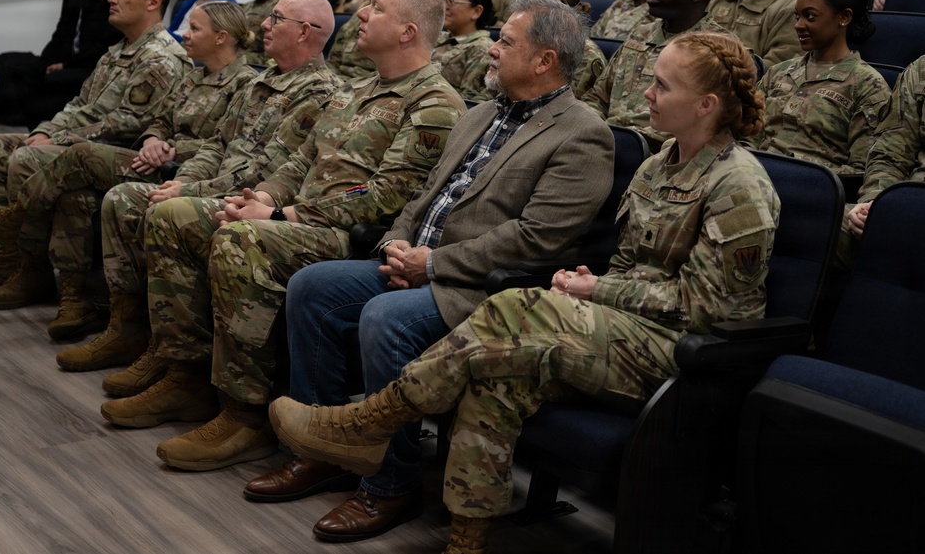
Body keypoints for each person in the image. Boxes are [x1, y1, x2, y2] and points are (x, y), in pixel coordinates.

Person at [269, 30, 780, 554]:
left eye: (661, 85)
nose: (646, 93)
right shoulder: (657, 165)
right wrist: (591, 286)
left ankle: (367, 421)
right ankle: (467, 542)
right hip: (623, 333)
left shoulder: (739, 185)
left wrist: (597, 289)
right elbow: (631, 266)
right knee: (497, 375)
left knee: (513, 307)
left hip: (684, 353)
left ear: (706, 105)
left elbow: (707, 309)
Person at [248, 0, 615, 544]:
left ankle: (390, 484)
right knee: (311, 287)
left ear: (545, 61)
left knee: (385, 319)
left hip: (485, 291)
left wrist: (434, 263)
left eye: (506, 42)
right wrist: (397, 245)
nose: (492, 49)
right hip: (416, 262)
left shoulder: (583, 134)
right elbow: (424, 194)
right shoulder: (480, 113)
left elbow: (538, 240)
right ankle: (323, 452)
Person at [98, 0, 466, 477]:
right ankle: (184, 371)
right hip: (300, 217)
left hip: (354, 237)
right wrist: (264, 196)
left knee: (240, 238)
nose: (357, 14)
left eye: (373, 8)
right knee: (177, 216)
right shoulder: (359, 90)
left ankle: (244, 414)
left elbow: (385, 196)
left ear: (406, 31)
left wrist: (279, 216)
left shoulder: (434, 104)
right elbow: (299, 161)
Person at [56, 0, 341, 390]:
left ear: (304, 33)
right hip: (211, 184)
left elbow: (268, 169)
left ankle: (181, 365)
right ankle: (132, 330)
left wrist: (192, 191)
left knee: (168, 212)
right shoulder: (262, 80)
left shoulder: (320, 92)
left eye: (276, 19)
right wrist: (184, 180)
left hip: (250, 199)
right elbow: (218, 144)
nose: (263, 25)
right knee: (122, 200)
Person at [0, 1, 259, 339]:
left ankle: (15, 218)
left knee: (82, 155)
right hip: (151, 159)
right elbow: (160, 120)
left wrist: (170, 149)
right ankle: (74, 297)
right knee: (75, 195)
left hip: (181, 173)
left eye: (195, 28)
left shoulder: (245, 85)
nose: (185, 33)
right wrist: (155, 138)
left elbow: (231, 145)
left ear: (221, 38)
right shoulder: (196, 77)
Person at [0, 0, 192, 306]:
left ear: (153, 2)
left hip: (114, 151)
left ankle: (33, 272)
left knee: (25, 157)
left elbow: (128, 123)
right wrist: (48, 129)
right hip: (80, 139)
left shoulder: (162, 57)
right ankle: (10, 256)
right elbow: (80, 102)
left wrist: (60, 139)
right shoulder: (117, 50)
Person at [583, 0, 734, 151]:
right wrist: (594, 132)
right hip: (605, 143)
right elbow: (597, 97)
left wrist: (628, 143)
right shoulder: (640, 33)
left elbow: (705, 125)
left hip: (660, 155)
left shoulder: (716, 50)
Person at [752, 0, 889, 175]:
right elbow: (746, 132)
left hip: (813, 192)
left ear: (844, 17)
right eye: (797, 16)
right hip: (756, 178)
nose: (798, 25)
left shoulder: (867, 85)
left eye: (810, 16)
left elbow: (862, 170)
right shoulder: (778, 72)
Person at [24, 0, 123, 128]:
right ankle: (33, 137)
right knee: (29, 71)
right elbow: (59, 37)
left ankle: (54, 133)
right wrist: (45, 62)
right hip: (70, 64)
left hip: (93, 66)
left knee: (53, 81)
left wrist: (65, 65)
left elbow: (105, 45)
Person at [845, 55, 925, 243]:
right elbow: (890, 153)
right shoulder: (921, 70)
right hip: (911, 204)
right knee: (819, 225)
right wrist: (877, 200)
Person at [527, 0, 608, 98]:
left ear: (555, 4)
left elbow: (569, 109)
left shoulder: (585, 56)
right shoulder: (529, 38)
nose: (524, 1)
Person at [327, 0, 408, 80]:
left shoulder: (400, 19)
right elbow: (333, 62)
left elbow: (388, 76)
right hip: (338, 86)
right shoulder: (360, 13)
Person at [432, 0, 495, 101]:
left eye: (451, 1)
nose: (444, 6)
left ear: (476, 11)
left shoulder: (481, 48)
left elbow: (468, 102)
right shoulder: (437, 36)